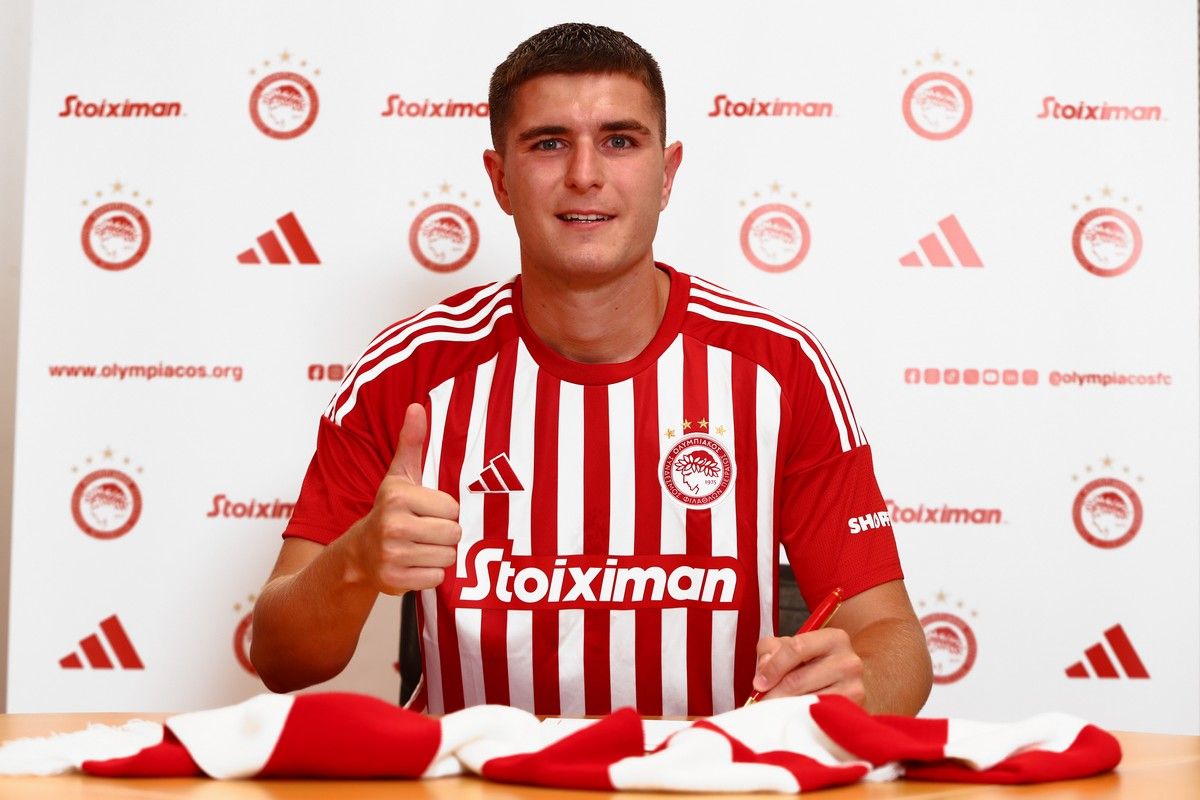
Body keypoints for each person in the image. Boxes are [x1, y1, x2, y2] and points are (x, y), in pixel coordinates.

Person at [250, 22, 932, 717]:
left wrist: (858, 686)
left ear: (667, 174)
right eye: (549, 143)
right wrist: (356, 561)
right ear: (500, 179)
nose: (585, 174)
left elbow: (892, 637)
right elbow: (278, 657)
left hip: (705, 772)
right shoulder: (409, 368)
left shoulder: (779, 366)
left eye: (619, 141)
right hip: (471, 772)